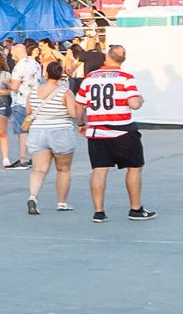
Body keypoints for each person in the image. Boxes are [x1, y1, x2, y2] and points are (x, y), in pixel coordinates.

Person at [75, 44, 154, 222]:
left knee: (99, 170)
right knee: (134, 167)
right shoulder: (126, 78)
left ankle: (99, 212)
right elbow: (134, 104)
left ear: (107, 57)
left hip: (97, 131)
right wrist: (140, 99)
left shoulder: (90, 78)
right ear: (123, 60)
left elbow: (79, 104)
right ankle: (135, 209)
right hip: (123, 131)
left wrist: (81, 123)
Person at [23, 60, 78, 214]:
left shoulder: (34, 91)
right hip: (61, 131)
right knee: (63, 169)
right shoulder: (65, 92)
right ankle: (62, 202)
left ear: (46, 74)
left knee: (38, 169)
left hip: (38, 131)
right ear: (60, 75)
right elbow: (73, 113)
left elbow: (28, 111)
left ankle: (33, 197)